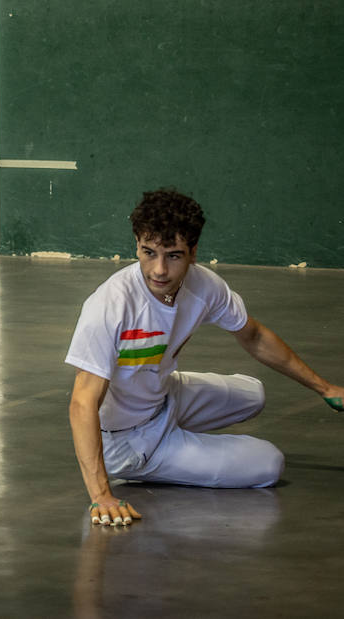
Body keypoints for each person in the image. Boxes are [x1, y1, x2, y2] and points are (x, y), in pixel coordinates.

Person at [66, 188, 343, 526]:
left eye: (173, 255)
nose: (159, 270)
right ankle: (156, 461)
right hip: (128, 441)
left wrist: (325, 388)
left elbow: (253, 336)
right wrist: (102, 496)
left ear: (193, 253)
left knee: (254, 393)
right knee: (270, 464)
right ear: (136, 245)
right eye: (148, 252)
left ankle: (177, 437)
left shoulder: (204, 286)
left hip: (164, 395)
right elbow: (82, 402)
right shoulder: (109, 306)